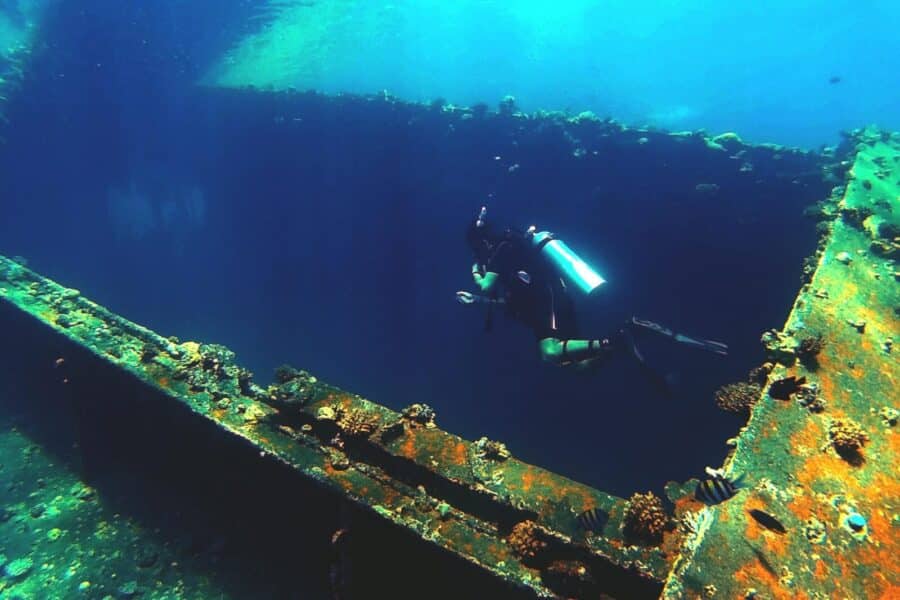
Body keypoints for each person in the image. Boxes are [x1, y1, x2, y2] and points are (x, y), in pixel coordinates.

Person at [457, 206, 727, 377]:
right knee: (578, 366)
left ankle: (619, 339)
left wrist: (475, 273)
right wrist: (478, 301)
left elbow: (487, 284)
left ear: (479, 242)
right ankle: (624, 339)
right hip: (544, 302)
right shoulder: (507, 250)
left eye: (475, 248)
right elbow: (513, 298)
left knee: (550, 353)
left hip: (548, 300)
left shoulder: (500, 251)